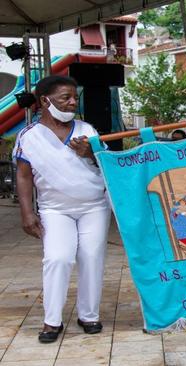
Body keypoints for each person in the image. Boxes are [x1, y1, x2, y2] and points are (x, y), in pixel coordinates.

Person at [13, 75, 112, 343]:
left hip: (94, 206)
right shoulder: (29, 136)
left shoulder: (87, 130)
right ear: (45, 101)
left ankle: (88, 315)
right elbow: (23, 176)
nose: (72, 103)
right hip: (54, 209)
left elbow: (108, 163)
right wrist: (27, 212)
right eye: (65, 98)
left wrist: (91, 153)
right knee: (58, 258)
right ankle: (52, 320)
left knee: (92, 258)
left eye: (74, 98)